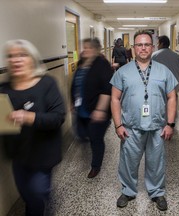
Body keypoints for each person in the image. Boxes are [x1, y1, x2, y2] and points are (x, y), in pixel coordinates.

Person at [110, 30, 178, 211]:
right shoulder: (123, 72)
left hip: (157, 127)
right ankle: (128, 191)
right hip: (131, 127)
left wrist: (170, 124)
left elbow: (172, 97)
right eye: (139, 45)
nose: (143, 48)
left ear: (153, 47)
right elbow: (114, 99)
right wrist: (118, 124)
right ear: (133, 48)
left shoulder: (164, 71)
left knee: (156, 162)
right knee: (128, 162)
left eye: (147, 44)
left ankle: (157, 192)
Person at [0, 39, 66, 216]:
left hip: (43, 152)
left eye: (22, 55)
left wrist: (29, 117)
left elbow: (58, 117)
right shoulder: (3, 89)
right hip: (18, 154)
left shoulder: (46, 84)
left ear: (32, 59)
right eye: (11, 56)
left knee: (37, 194)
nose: (16, 60)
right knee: (27, 195)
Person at [81, 38, 114, 178]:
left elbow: (107, 89)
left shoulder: (102, 65)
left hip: (98, 111)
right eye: (84, 47)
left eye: (88, 48)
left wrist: (100, 110)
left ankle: (96, 166)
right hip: (83, 109)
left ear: (95, 50)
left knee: (96, 138)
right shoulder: (82, 64)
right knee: (86, 136)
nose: (85, 50)